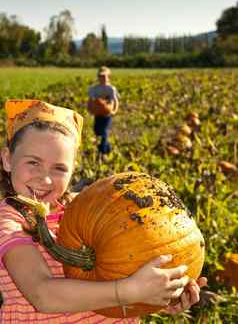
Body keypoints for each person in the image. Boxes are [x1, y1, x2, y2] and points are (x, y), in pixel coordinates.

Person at [0, 99, 207, 323]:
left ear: (72, 170)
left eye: (59, 168)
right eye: (33, 163)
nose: (46, 178)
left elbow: (121, 275)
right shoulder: (10, 221)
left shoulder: (85, 208)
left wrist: (156, 297)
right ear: (7, 159)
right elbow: (43, 295)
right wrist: (127, 291)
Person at [88, 66, 119, 159]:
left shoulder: (111, 89)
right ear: (98, 77)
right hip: (98, 114)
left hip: (107, 114)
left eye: (105, 76)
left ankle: (103, 153)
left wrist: (114, 110)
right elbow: (90, 101)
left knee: (105, 132)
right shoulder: (94, 89)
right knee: (97, 132)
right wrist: (90, 109)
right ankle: (108, 148)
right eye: (101, 76)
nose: (103, 78)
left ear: (109, 77)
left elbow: (115, 101)